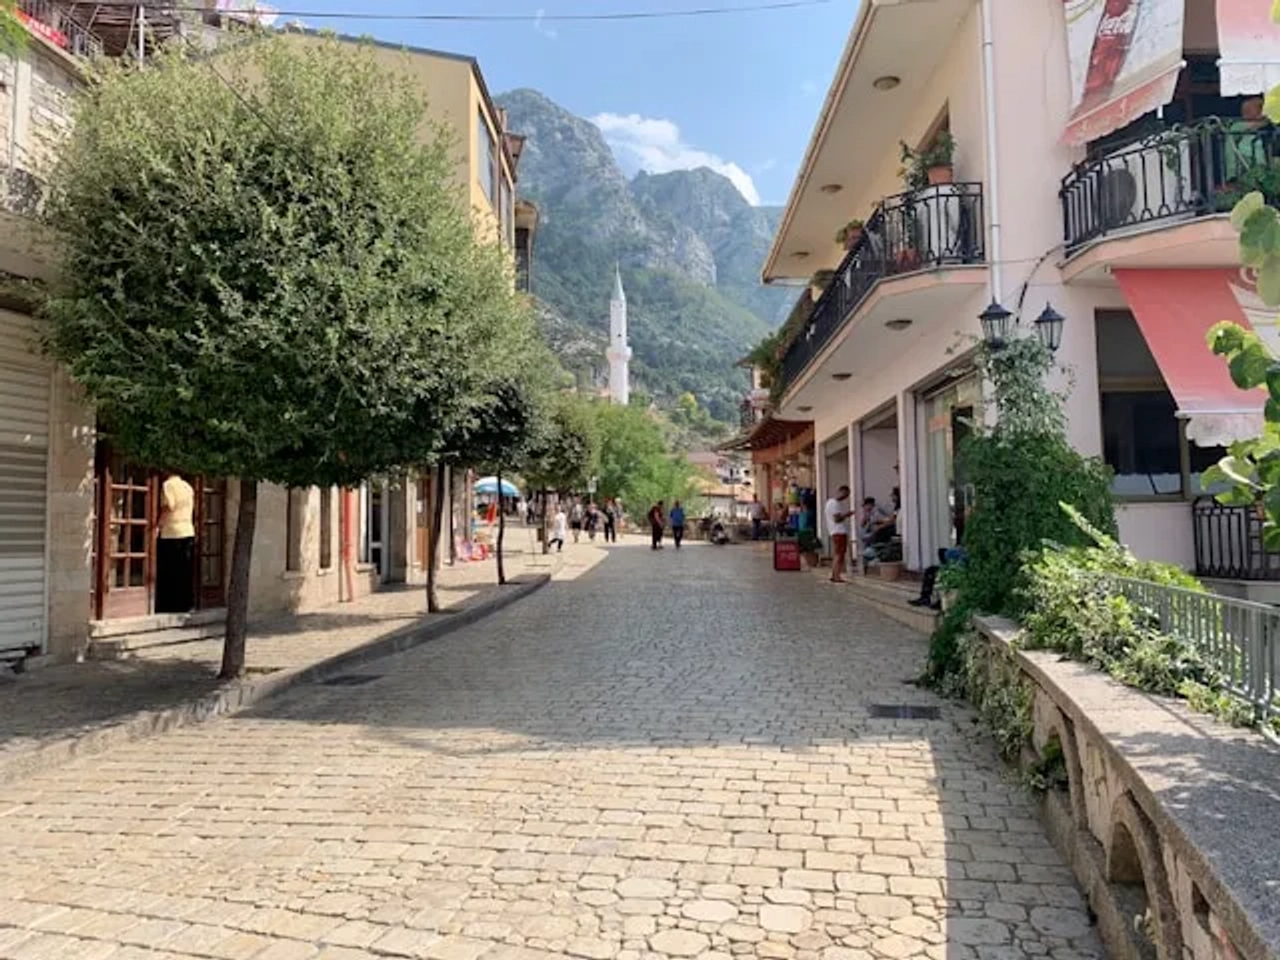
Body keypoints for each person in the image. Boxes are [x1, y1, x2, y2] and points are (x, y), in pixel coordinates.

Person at [156, 471, 196, 613]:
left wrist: (157, 525)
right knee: (185, 570)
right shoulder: (187, 486)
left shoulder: (168, 485)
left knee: (169, 571)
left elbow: (167, 507)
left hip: (171, 532)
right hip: (188, 529)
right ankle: (186, 604)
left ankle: (169, 605)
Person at [824, 485, 854, 583]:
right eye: (845, 495)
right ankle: (837, 575)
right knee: (840, 554)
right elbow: (837, 519)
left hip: (834, 531)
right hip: (838, 531)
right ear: (840, 491)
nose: (845, 497)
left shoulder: (829, 502)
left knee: (837, 553)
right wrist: (847, 514)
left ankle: (834, 574)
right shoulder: (835, 504)